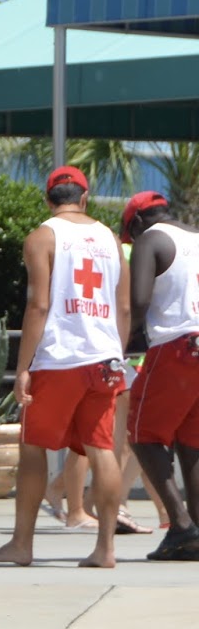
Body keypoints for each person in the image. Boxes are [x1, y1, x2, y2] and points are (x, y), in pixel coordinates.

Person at [0, 166, 130, 568]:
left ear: (48, 200)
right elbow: (124, 308)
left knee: (33, 446)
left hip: (60, 358)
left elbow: (39, 304)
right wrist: (115, 352)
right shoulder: (111, 240)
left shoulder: (42, 237)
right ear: (84, 198)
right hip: (105, 358)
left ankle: (22, 544)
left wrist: (23, 367)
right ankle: (105, 549)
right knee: (102, 448)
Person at [124, 190, 199, 560]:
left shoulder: (150, 239)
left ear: (138, 221)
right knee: (192, 443)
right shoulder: (197, 236)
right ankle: (195, 533)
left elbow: (138, 302)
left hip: (176, 347)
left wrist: (120, 341)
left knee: (142, 434)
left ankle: (182, 526)